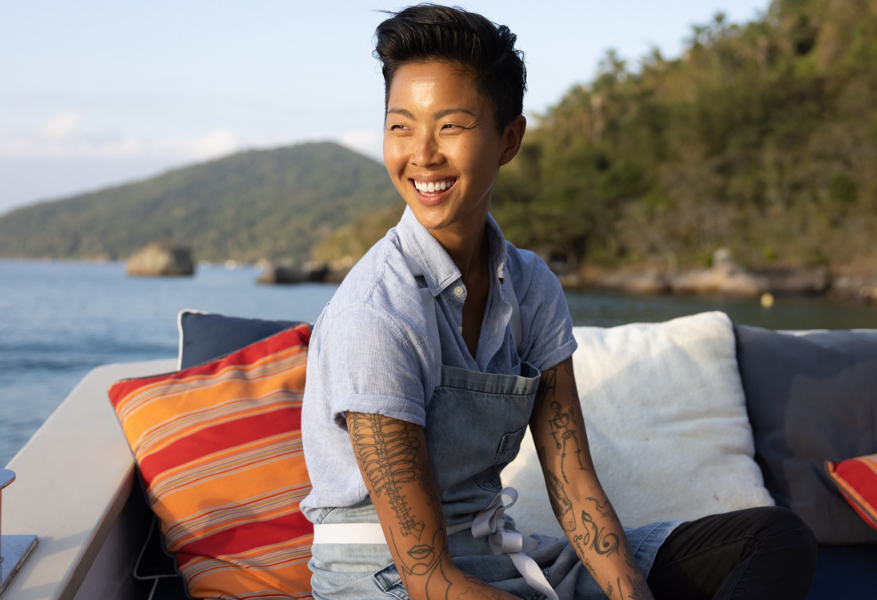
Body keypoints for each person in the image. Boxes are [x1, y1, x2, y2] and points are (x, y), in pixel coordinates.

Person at [300, 5, 817, 599]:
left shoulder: (530, 286)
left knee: (771, 540)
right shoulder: (375, 314)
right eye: (400, 126)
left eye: (451, 126)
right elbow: (426, 576)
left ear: (508, 140)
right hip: (387, 578)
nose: (422, 155)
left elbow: (575, 487)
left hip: (500, 556)